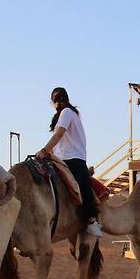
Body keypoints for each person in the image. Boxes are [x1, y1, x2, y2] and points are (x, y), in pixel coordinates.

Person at [35, 87, 102, 237]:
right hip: (60, 158)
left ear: (54, 102)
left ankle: (92, 220)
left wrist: (44, 150)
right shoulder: (68, 115)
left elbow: (59, 134)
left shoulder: (67, 113)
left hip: (73, 158)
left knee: (83, 185)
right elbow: (59, 141)